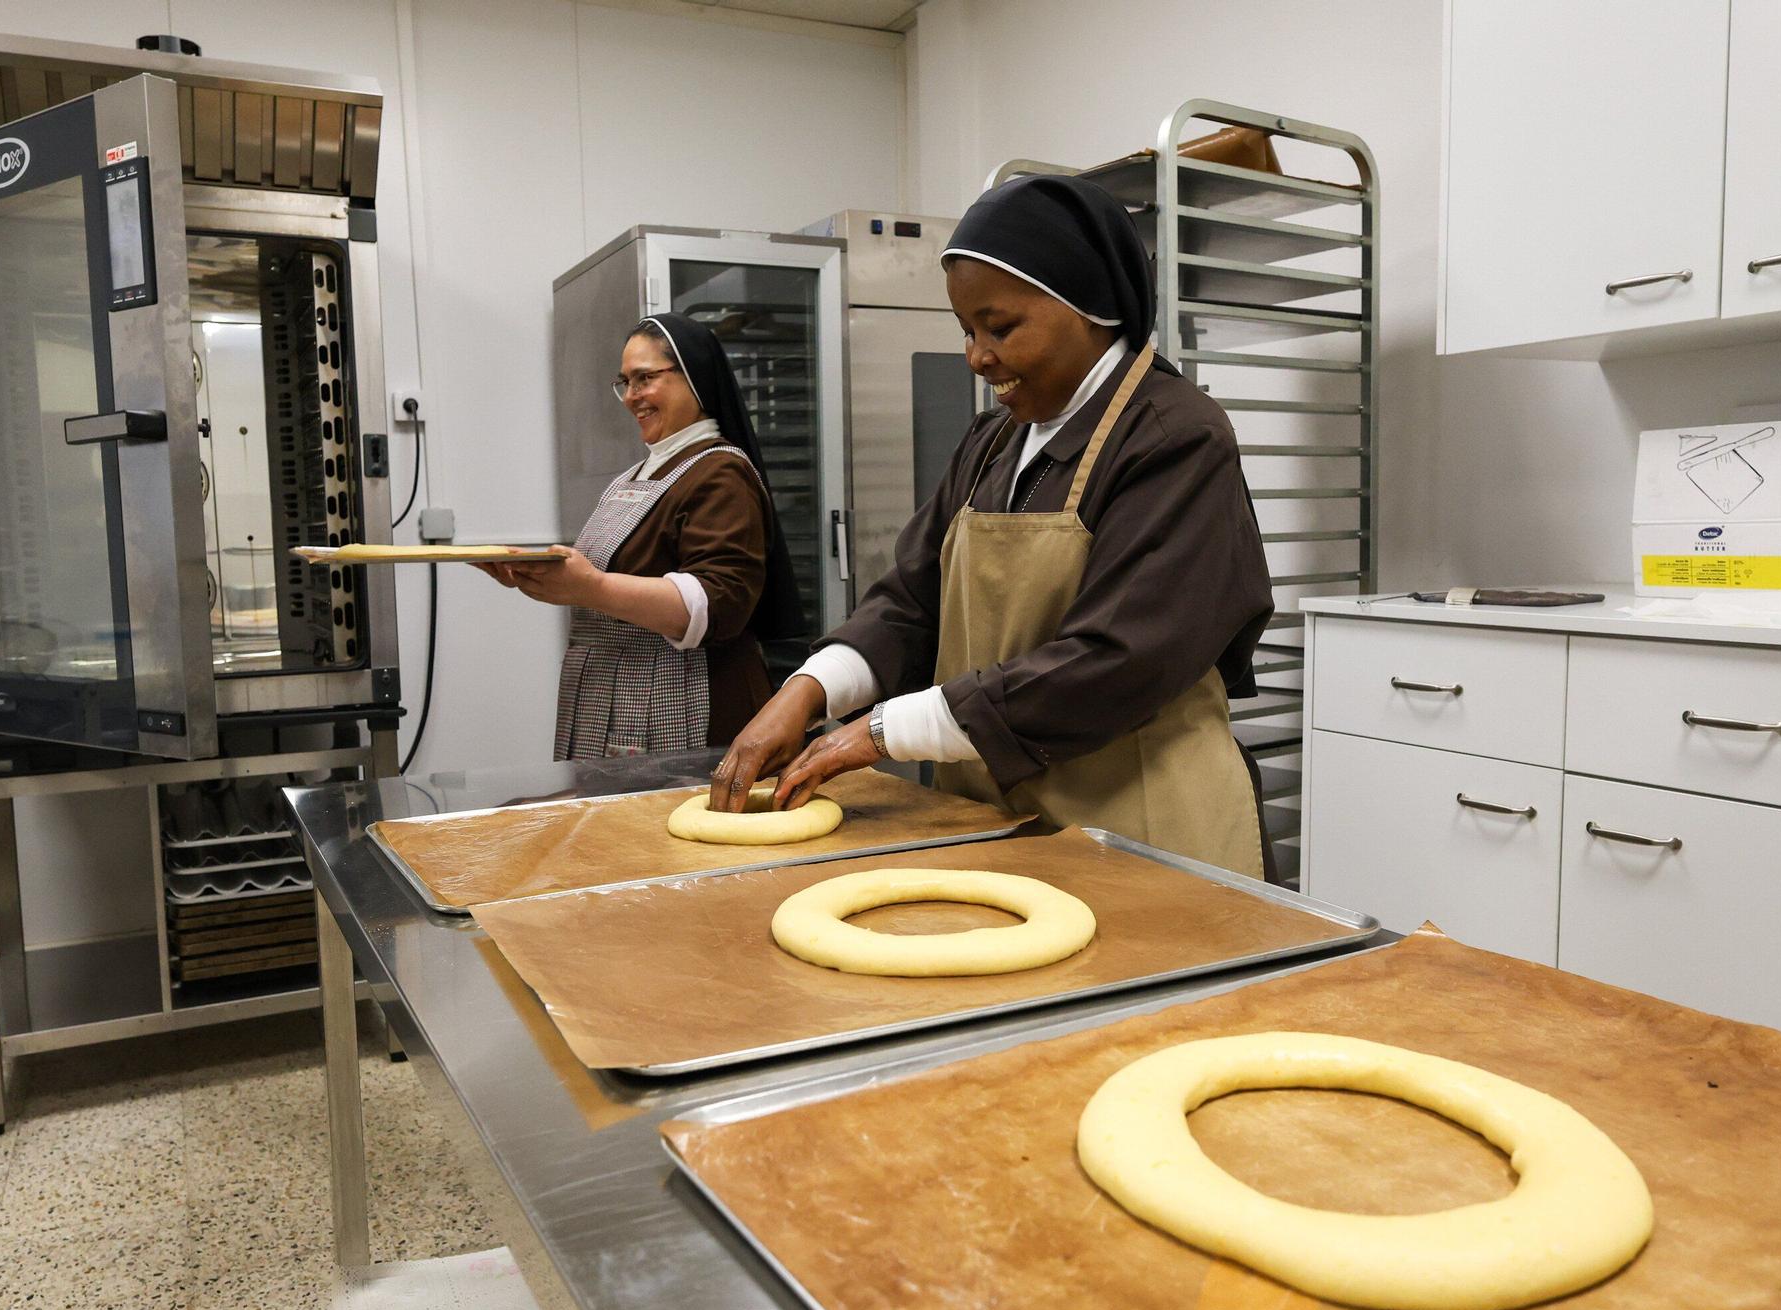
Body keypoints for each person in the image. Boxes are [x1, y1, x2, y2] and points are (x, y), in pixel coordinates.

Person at [709, 174, 1275, 878]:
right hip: (1000, 818)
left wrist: (886, 730)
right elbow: (911, 600)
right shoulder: (993, 442)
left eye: (999, 327)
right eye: (967, 331)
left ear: (1090, 306)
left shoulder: (1174, 437)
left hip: (1139, 831)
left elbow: (1115, 657)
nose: (976, 356)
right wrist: (808, 689)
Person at [483, 313, 805, 759]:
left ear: (692, 378)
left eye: (645, 379)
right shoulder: (633, 476)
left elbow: (721, 603)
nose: (631, 397)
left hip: (679, 696)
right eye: (625, 383)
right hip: (619, 693)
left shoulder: (721, 471)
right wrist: (543, 578)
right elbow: (607, 580)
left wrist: (592, 587)